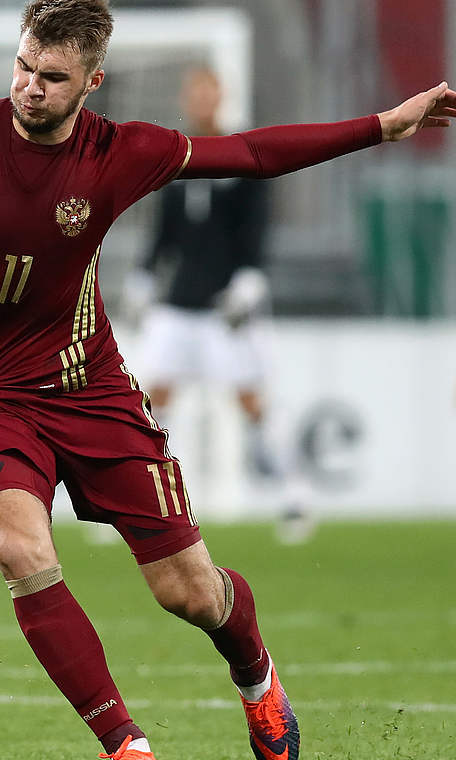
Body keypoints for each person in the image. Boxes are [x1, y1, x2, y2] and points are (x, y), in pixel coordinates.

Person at [0, 2, 456, 758]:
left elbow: (251, 154)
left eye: (52, 77)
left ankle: (257, 676)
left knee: (191, 594)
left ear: (92, 81)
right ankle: (125, 745)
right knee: (18, 550)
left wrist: (381, 125)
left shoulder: (123, 152)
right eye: (23, 67)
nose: (30, 88)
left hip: (91, 390)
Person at [124, 64, 311, 543]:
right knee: (148, 403)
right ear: (189, 98)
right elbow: (163, 235)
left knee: (252, 402)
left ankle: (295, 495)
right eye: (196, 92)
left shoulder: (240, 159)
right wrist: (144, 278)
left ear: (221, 97)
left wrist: (249, 282)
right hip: (179, 305)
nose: (202, 100)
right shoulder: (174, 161)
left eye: (210, 92)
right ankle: (136, 505)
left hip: (225, 308)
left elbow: (255, 231)